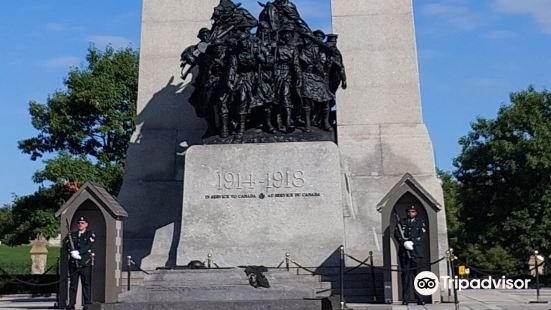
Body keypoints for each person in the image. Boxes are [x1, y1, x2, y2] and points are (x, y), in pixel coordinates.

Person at [394, 205, 426, 305]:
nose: (410, 213)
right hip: (404, 253)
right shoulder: (401, 222)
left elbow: (422, 235)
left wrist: (412, 243)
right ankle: (406, 299)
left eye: (412, 211)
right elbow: (397, 234)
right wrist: (404, 242)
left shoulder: (420, 222)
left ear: (415, 213)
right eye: (409, 211)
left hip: (416, 252)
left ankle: (420, 298)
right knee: (406, 276)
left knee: (418, 276)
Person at [64, 216, 96, 310]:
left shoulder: (90, 234)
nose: (80, 225)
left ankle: (87, 303)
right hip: (74, 263)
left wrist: (79, 252)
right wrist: (72, 252)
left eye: (82, 223)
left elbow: (89, 245)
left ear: (86, 224)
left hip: (84, 263)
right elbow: (67, 244)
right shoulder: (72, 235)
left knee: (86, 284)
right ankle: (71, 303)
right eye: (79, 223)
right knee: (73, 284)